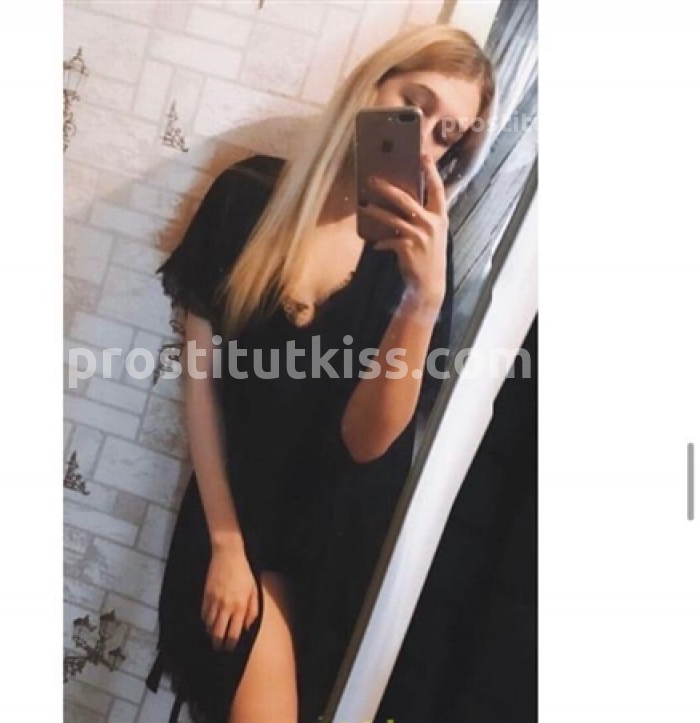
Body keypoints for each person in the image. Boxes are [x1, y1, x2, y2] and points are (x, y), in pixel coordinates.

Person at [145, 24, 496, 723]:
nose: (422, 141)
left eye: (446, 135)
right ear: (371, 86)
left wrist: (422, 300)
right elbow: (200, 384)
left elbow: (367, 443)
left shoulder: (417, 266)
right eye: (414, 105)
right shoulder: (246, 197)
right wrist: (225, 543)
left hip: (331, 550)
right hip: (230, 518)